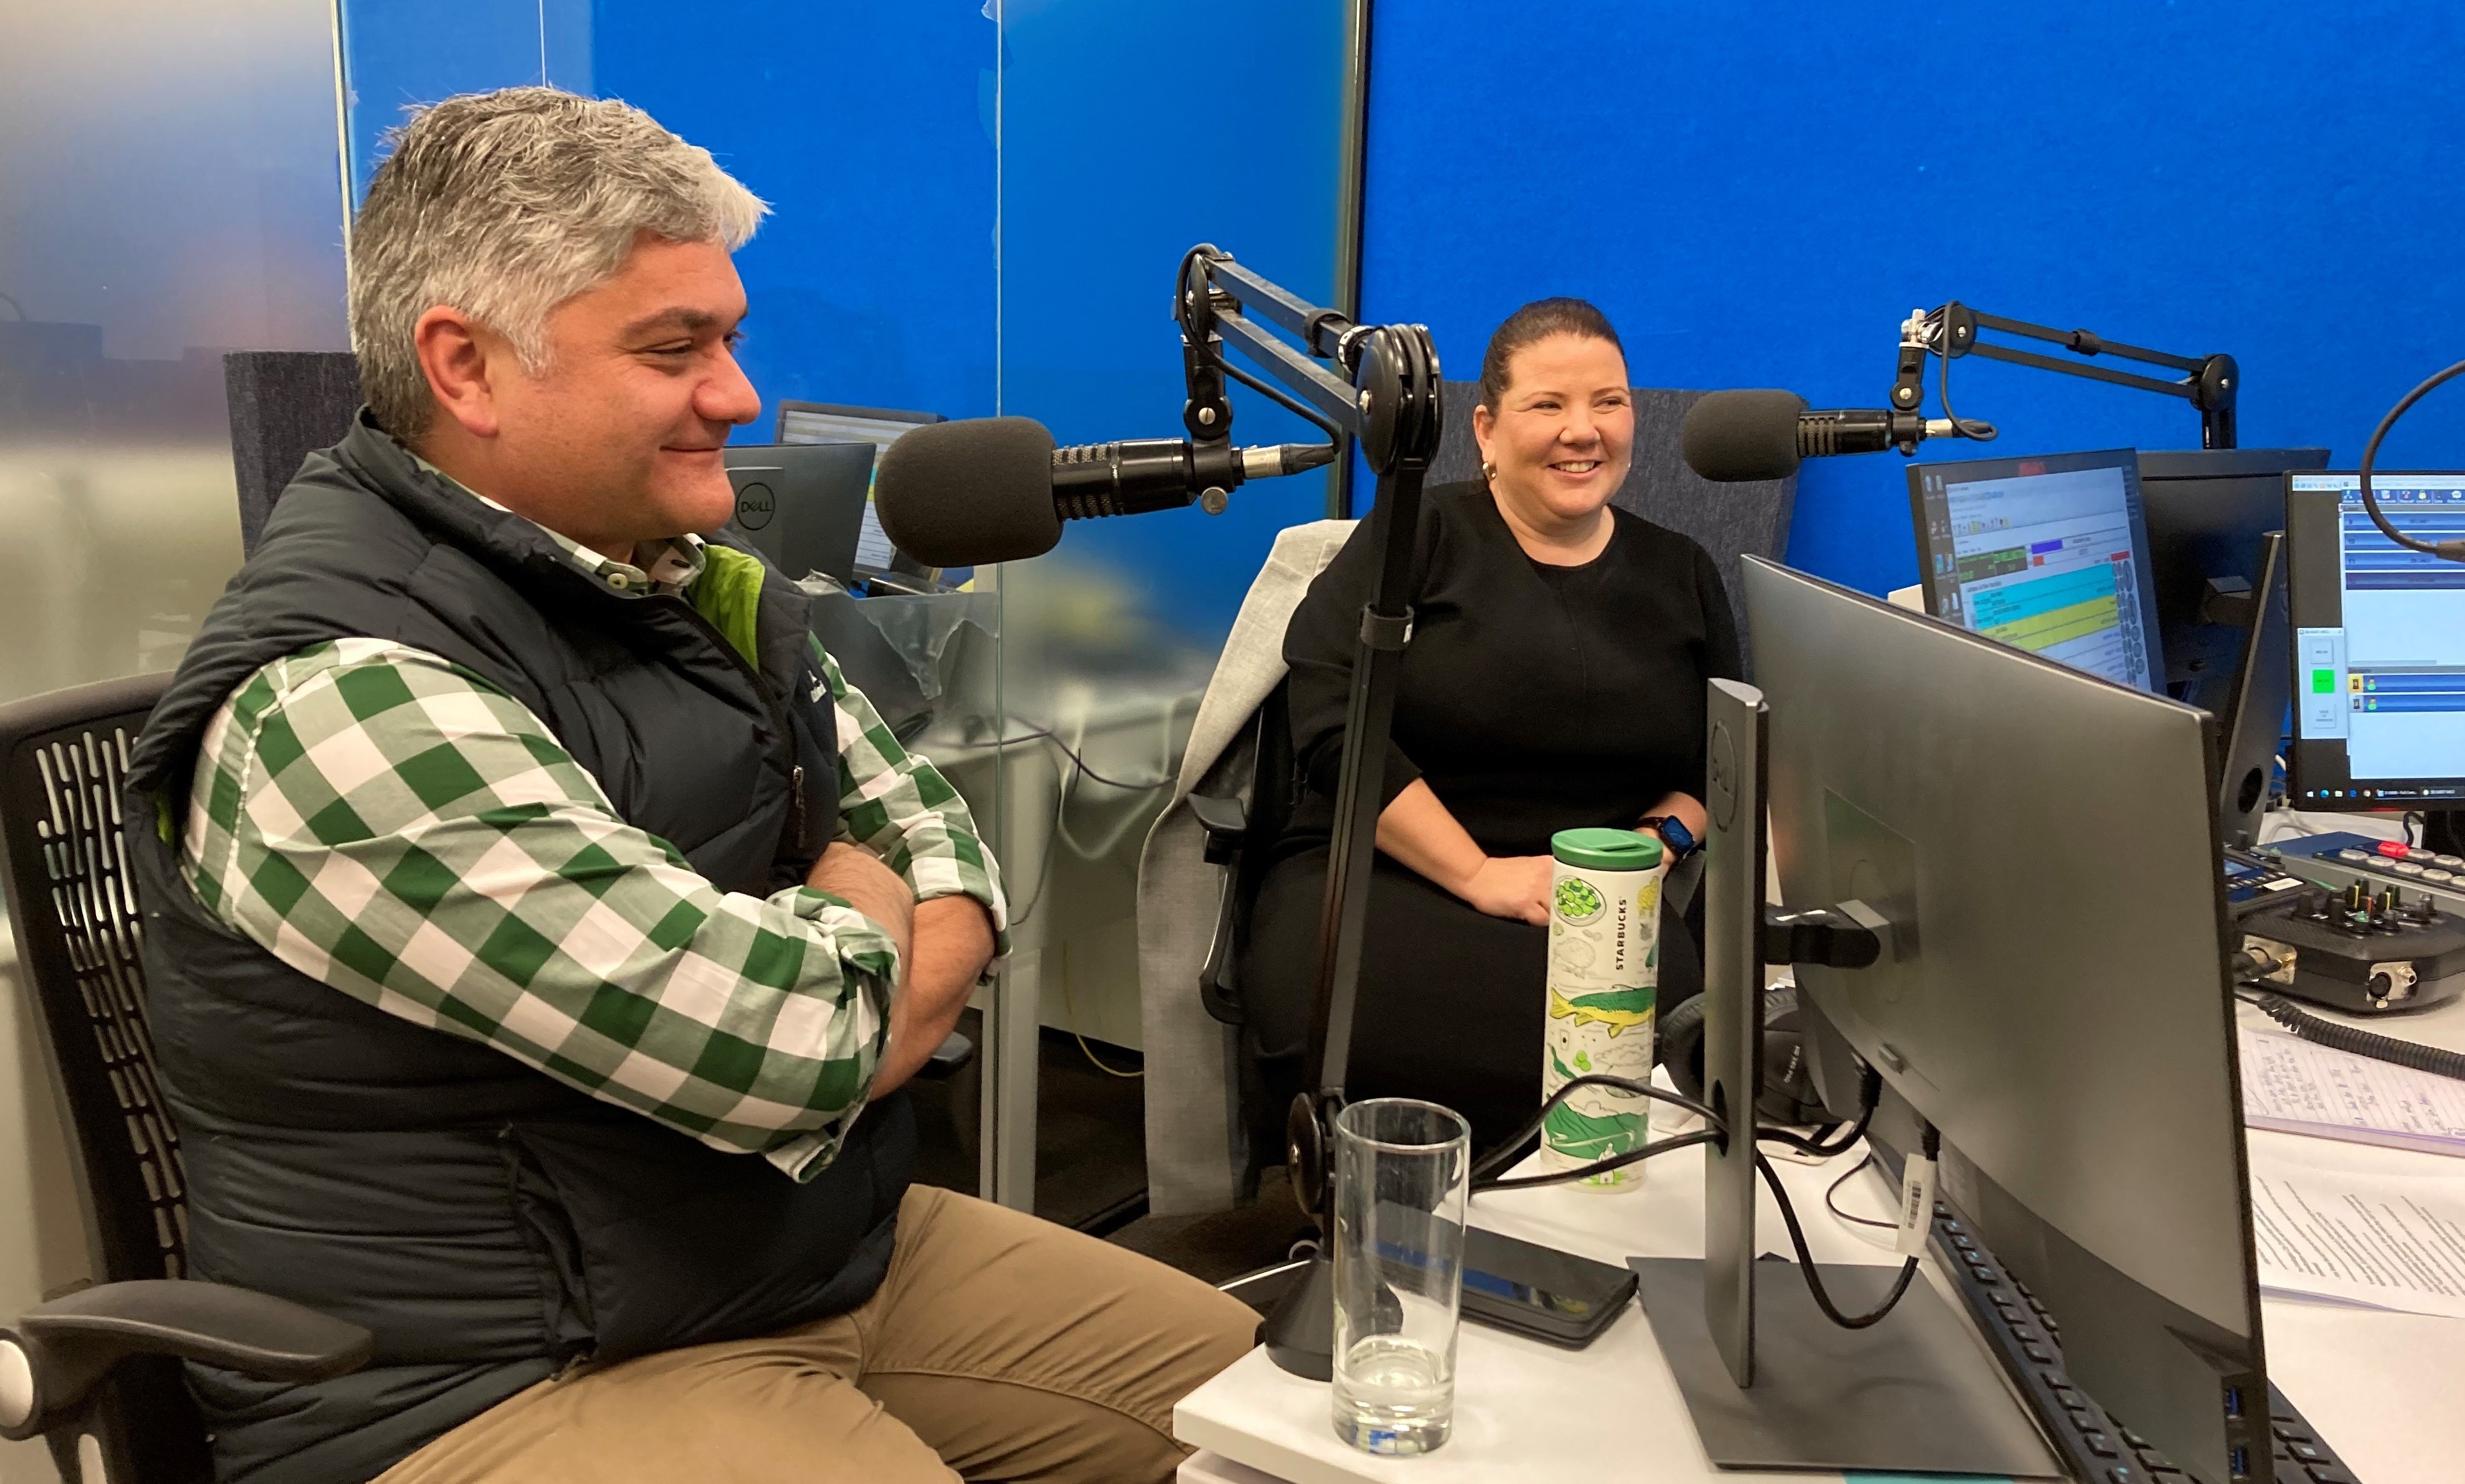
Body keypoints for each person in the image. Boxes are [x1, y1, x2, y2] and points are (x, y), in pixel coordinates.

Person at [123, 87, 1251, 1484]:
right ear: (464, 367)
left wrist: (860, 948)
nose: (735, 394)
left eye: (730, 336)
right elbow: (791, 1048)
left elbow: (944, 844)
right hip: (491, 1374)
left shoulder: (684, 580)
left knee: (1262, 1418)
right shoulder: (346, 702)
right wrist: (861, 950)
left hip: (784, 1251)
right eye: (675, 348)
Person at [1239, 298, 1743, 1157]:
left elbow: (1720, 763)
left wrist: (1658, 842)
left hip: (1597, 904)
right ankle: (1391, 1253)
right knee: (1373, 1038)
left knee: (1662, 1059)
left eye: (1609, 403)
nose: (1583, 431)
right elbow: (1327, 716)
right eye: (1547, 405)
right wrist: (1478, 873)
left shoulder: (1681, 573)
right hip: (1391, 873)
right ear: (1485, 427)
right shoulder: (1418, 536)